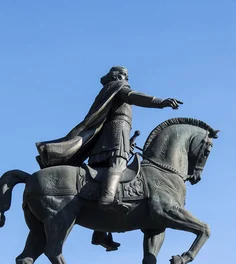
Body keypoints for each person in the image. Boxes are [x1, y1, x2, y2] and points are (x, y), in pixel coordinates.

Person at [36, 66, 182, 250]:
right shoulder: (118, 87)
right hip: (117, 130)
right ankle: (108, 198)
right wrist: (160, 102)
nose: (125, 78)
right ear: (115, 76)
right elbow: (134, 96)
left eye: (126, 76)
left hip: (106, 137)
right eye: (123, 75)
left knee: (102, 174)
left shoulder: (107, 91)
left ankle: (100, 232)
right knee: (119, 164)